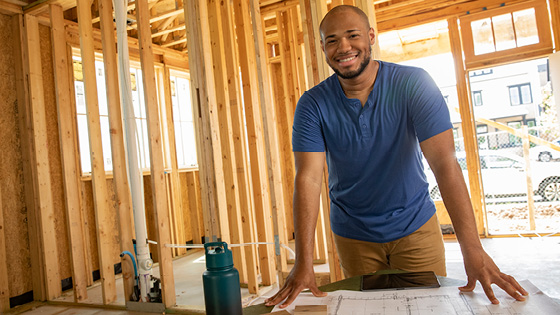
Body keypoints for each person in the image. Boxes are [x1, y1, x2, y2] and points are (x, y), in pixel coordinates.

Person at [265, 4, 528, 309]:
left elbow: (444, 163)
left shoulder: (413, 84)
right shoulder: (313, 104)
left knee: (427, 308)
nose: (344, 47)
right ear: (322, 47)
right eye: (332, 40)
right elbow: (308, 177)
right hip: (353, 234)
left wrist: (473, 250)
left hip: (414, 226)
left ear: (371, 36)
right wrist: (304, 263)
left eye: (353, 36)